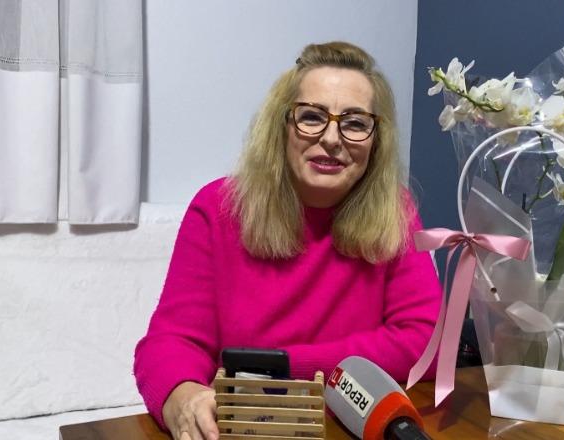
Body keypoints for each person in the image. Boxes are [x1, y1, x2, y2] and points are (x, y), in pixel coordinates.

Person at [133, 41, 442, 440]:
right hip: (245, 427)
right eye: (311, 117)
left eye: (354, 123)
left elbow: (426, 341)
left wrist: (276, 368)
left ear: (376, 140)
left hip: (345, 427)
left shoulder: (395, 211)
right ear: (281, 126)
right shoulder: (217, 207)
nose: (332, 138)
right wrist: (184, 398)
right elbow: (170, 342)